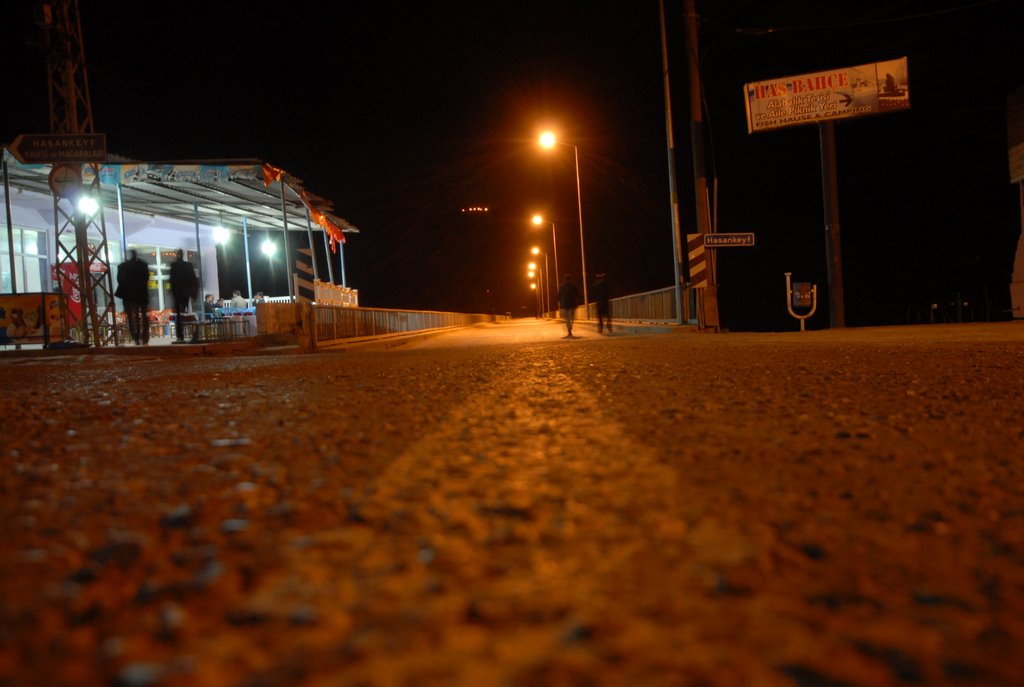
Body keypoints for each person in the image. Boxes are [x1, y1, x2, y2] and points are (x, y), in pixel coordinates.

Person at [115, 249, 150, 345]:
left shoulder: (122, 267)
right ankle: (144, 336)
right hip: (141, 294)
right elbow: (146, 279)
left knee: (130, 316)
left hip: (128, 295)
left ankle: (135, 336)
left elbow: (120, 280)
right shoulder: (143, 265)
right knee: (142, 315)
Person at [169, 248, 199, 343]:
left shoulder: (175, 266)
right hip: (184, 293)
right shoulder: (186, 265)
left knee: (180, 315)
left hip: (179, 293)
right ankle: (182, 335)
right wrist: (193, 292)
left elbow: (172, 280)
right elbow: (193, 279)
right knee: (183, 314)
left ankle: (180, 336)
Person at [558, 274, 580, 338]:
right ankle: (570, 327)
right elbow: (577, 293)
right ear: (570, 279)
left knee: (567, 318)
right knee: (572, 317)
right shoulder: (573, 285)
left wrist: (560, 302)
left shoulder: (561, 286)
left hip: (564, 304)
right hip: (572, 304)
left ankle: (569, 329)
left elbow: (558, 296)